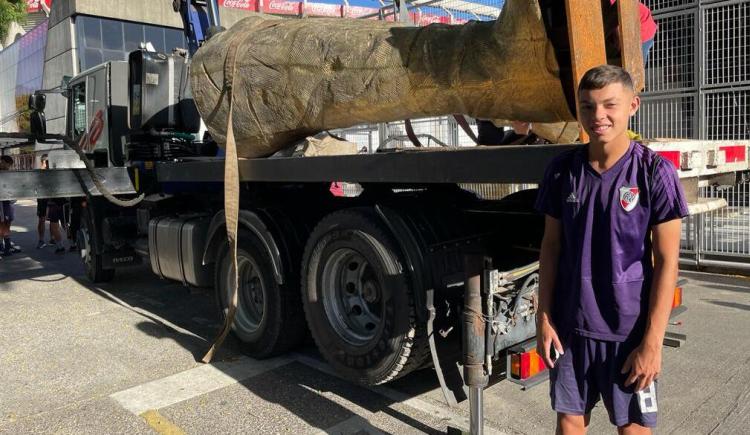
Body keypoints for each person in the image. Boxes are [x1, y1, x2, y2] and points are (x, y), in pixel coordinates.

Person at [534, 65, 688, 434]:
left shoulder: (654, 173)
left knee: (633, 428)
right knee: (569, 423)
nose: (597, 116)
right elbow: (551, 248)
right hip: (572, 330)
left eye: (609, 105)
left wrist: (652, 344)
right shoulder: (561, 172)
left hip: (628, 334)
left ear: (633, 105)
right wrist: (543, 317)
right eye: (587, 106)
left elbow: (667, 263)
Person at [0, 155, 21, 256]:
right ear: (3, 162)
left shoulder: (8, 173)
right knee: (3, 226)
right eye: (8, 165)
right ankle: (4, 248)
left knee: (7, 225)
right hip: (3, 204)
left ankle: (6, 247)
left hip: (8, 204)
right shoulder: (3, 174)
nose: (9, 167)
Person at [36, 154, 50, 249]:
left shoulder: (51, 171)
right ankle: (41, 240)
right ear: (44, 162)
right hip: (42, 198)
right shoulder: (39, 172)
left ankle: (52, 238)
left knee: (53, 219)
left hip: (50, 197)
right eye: (47, 162)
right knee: (42, 219)